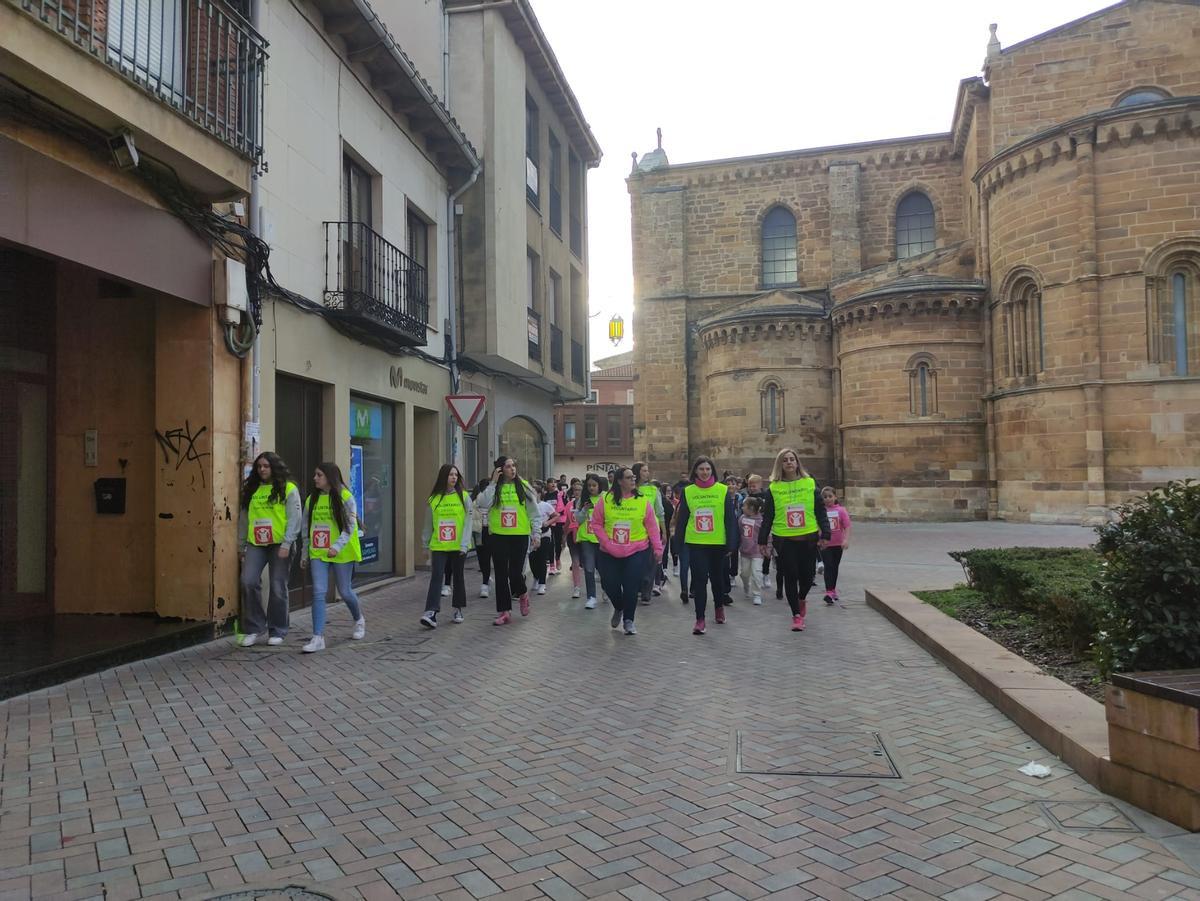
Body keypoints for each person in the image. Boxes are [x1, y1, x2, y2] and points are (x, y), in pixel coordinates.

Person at [758, 449, 830, 631]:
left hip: (808, 538)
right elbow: (768, 516)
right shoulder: (773, 488)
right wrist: (762, 540)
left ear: (797, 463)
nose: (789, 462)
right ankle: (796, 615)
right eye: (785, 460)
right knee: (790, 575)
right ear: (780, 464)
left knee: (807, 577)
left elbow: (820, 510)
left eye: (792, 459)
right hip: (784, 540)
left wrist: (826, 534)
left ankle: (801, 597)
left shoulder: (810, 483)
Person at [299, 462, 365, 651]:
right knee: (318, 592)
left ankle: (359, 619)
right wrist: (305, 553)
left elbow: (350, 526)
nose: (315, 478)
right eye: (315, 474)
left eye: (319, 475)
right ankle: (318, 637)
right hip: (319, 551)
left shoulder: (346, 497)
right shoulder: (311, 499)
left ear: (329, 477)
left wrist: (336, 546)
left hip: (342, 551)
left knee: (344, 591)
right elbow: (306, 528)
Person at [238, 452, 302, 647]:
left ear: (274, 467)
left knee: (277, 586)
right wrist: (241, 546)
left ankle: (278, 629)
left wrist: (287, 543)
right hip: (256, 544)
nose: (262, 469)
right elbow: (243, 520)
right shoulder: (251, 489)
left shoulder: (288, 488)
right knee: (247, 581)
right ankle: (255, 627)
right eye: (259, 467)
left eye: (266, 466)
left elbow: (294, 518)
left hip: (279, 544)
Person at [591, 466, 663, 635]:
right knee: (609, 584)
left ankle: (629, 620)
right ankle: (619, 606)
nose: (633, 480)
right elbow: (596, 523)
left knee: (631, 586)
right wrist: (607, 543)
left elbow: (652, 526)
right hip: (609, 550)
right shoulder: (606, 500)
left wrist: (658, 547)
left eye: (633, 477)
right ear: (619, 481)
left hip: (637, 550)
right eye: (629, 477)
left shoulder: (642, 500)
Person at [674, 456, 738, 635]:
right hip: (696, 542)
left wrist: (731, 544)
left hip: (718, 543)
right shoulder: (688, 492)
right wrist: (677, 545)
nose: (704, 472)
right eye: (701, 469)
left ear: (712, 471)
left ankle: (719, 607)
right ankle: (700, 619)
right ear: (695, 471)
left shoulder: (722, 490)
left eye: (708, 469)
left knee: (717, 579)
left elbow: (730, 519)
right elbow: (682, 520)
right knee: (700, 580)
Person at [474, 457, 541, 625]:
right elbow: (482, 504)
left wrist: (536, 534)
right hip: (498, 536)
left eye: (513, 466)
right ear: (500, 470)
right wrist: (493, 484)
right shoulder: (494, 487)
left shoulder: (524, 486)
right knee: (501, 575)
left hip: (519, 535)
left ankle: (523, 593)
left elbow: (534, 512)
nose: (512, 469)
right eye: (508, 466)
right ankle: (504, 611)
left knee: (515, 573)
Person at [420, 464, 473, 628]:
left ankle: (458, 609)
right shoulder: (433, 499)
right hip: (439, 545)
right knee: (436, 577)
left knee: (458, 577)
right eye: (451, 475)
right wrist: (425, 544)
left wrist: (464, 544)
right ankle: (431, 612)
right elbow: (428, 524)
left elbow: (468, 523)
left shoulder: (464, 497)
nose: (454, 478)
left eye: (456, 475)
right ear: (444, 477)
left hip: (458, 546)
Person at [632, 462, 666, 605]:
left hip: (652, 530)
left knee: (652, 561)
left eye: (647, 470)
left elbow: (660, 511)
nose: (647, 473)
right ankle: (638, 588)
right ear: (637, 472)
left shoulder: (653, 490)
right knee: (638, 561)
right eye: (644, 471)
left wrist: (664, 531)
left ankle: (647, 591)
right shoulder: (630, 489)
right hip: (635, 531)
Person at [574, 473, 605, 609]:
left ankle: (606, 590)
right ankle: (591, 597)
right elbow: (578, 520)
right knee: (589, 568)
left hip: (602, 539)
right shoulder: (582, 499)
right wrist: (584, 511)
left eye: (594, 485)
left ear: (599, 486)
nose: (592, 488)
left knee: (604, 569)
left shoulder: (605, 498)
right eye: (589, 486)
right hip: (586, 538)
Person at [819, 486, 852, 605]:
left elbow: (847, 525)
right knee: (828, 566)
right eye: (825, 497)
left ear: (835, 497)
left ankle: (833, 589)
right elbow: (817, 526)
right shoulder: (821, 511)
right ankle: (828, 592)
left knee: (834, 567)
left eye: (830, 496)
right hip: (825, 544)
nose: (827, 499)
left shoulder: (841, 510)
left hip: (838, 544)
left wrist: (846, 540)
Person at [737, 496, 768, 606]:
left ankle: (757, 594)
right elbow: (739, 532)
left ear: (751, 508)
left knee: (756, 573)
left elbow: (767, 536)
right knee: (744, 573)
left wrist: (767, 549)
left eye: (744, 505)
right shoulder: (741, 518)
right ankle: (746, 585)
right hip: (745, 551)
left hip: (757, 552)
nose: (742, 507)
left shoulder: (761, 521)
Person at [530, 487, 559, 595]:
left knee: (542, 558)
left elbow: (556, 515)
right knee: (532, 559)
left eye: (534, 493)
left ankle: (542, 584)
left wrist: (548, 522)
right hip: (531, 535)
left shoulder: (545, 505)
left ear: (539, 494)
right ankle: (536, 577)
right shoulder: (527, 506)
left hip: (545, 534)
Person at [470, 479, 493, 598]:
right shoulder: (474, 501)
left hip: (491, 532)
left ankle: (485, 584)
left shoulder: (494, 499)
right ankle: (486, 577)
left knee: (488, 556)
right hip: (479, 532)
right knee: (482, 558)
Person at [563, 481, 585, 599]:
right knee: (575, 563)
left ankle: (602, 588)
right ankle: (576, 587)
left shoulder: (587, 504)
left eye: (579, 490)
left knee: (589, 564)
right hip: (572, 536)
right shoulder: (569, 505)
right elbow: (567, 522)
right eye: (575, 490)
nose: (577, 492)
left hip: (585, 536)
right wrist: (564, 536)